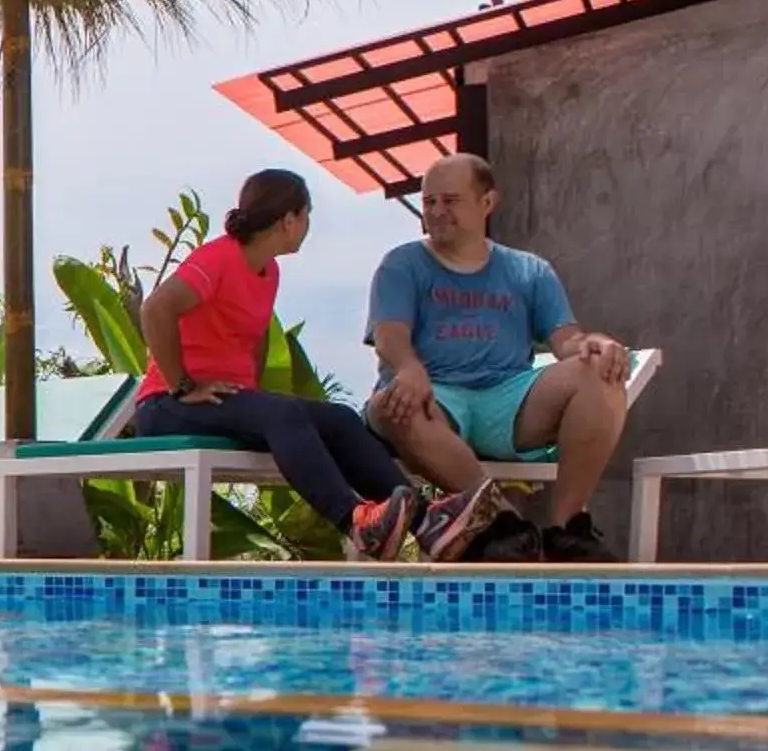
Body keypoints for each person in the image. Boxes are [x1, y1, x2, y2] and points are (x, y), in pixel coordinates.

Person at [135, 168, 418, 559]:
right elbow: (155, 310)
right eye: (306, 216)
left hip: (226, 403)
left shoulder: (269, 271)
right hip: (168, 406)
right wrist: (183, 385)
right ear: (288, 220)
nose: (307, 226)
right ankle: (355, 522)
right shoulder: (217, 258)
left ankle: (428, 524)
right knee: (281, 415)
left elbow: (257, 340)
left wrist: (251, 401)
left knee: (339, 419)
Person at [364, 152, 633, 563]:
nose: (436, 212)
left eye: (450, 201)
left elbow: (566, 341)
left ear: (487, 203)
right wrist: (408, 367)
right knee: (396, 403)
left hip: (507, 401)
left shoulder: (530, 271)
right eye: (429, 201)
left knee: (600, 373)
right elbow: (390, 337)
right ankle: (502, 523)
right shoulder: (402, 264)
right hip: (434, 398)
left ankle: (567, 528)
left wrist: (591, 344)